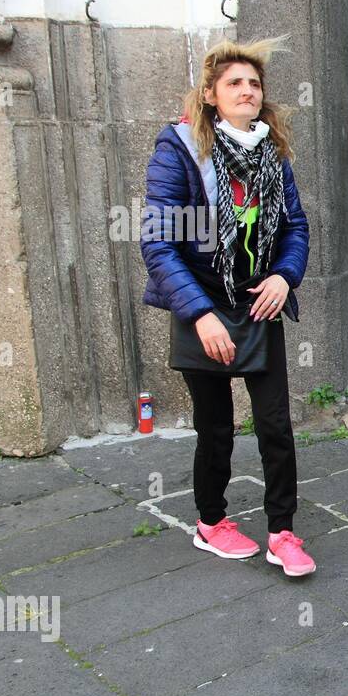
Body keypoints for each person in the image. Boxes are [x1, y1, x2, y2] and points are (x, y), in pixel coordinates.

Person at [140, 37, 316, 577]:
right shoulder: (182, 150)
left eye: (255, 84)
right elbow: (159, 242)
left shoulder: (271, 153)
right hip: (202, 304)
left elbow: (294, 227)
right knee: (215, 428)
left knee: (275, 425)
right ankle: (211, 523)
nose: (247, 91)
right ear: (212, 95)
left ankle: (282, 532)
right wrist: (198, 313)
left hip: (257, 301)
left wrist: (285, 277)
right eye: (234, 83)